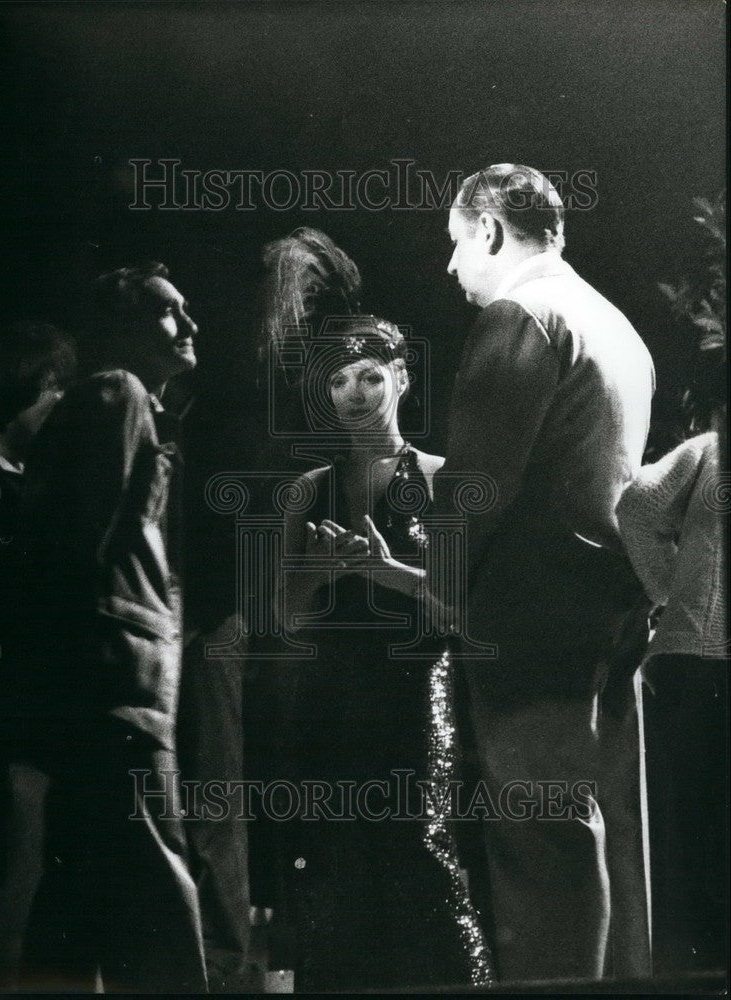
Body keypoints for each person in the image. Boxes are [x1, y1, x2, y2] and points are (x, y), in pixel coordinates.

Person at [435, 164, 655, 981]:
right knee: (595, 834)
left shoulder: (517, 313)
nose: (450, 268)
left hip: (527, 623)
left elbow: (474, 492)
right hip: (605, 613)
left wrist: (431, 592)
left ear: (488, 232)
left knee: (537, 847)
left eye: (455, 245)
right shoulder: (615, 325)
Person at [263, 228, 496, 992]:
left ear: (399, 379)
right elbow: (284, 621)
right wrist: (319, 575)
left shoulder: (438, 477)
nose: (353, 395)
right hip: (327, 703)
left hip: (412, 701)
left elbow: (462, 614)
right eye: (338, 383)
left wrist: (386, 569)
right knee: (329, 867)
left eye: (368, 377)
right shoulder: (306, 492)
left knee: (421, 857)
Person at [18, 264, 208, 992]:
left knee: (81, 891)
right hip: (114, 690)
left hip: (106, 690)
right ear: (126, 328)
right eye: (169, 313)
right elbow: (77, 546)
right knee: (156, 880)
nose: (189, 326)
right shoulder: (116, 393)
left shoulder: (123, 405)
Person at [0, 322, 76, 988]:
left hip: (27, 701)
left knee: (21, 860)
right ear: (33, 384)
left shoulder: (46, 478)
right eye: (56, 389)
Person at [617, 420, 727, 973]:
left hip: (695, 659)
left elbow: (637, 507)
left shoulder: (713, 446)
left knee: (683, 850)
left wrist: (671, 593)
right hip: (699, 660)